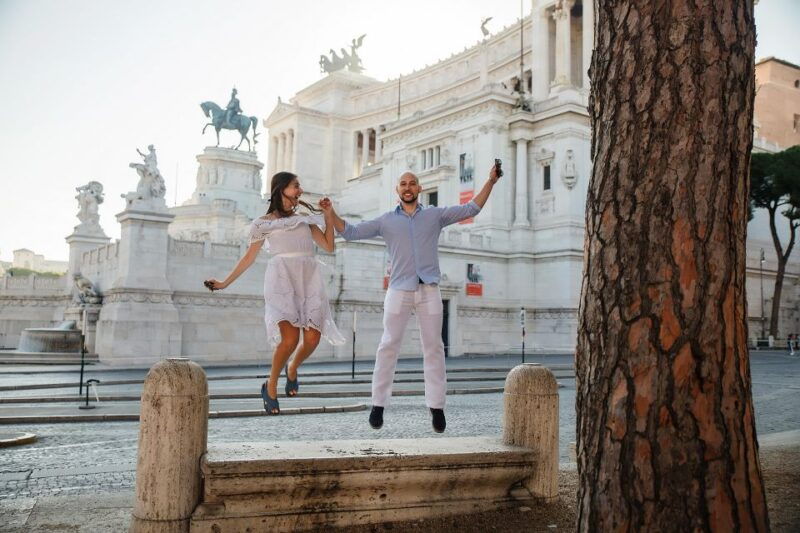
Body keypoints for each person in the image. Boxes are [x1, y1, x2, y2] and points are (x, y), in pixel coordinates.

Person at [329, 164, 502, 432]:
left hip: (429, 290)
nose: (408, 187)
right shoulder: (386, 220)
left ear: (420, 189)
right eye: (403, 184)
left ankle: (436, 407)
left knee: (434, 348)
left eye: (412, 183)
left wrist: (490, 181)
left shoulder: (434, 215)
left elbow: (472, 209)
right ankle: (378, 405)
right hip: (399, 290)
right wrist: (330, 212)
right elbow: (350, 232)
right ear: (397, 190)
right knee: (388, 346)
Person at [204, 172, 345, 415]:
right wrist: (224, 283)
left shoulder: (305, 219)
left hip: (309, 279)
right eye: (296, 186)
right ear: (281, 189)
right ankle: (271, 385)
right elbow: (249, 257)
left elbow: (329, 246)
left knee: (312, 338)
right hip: (281, 281)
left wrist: (329, 215)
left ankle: (293, 367)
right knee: (289, 339)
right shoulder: (262, 223)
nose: (300, 190)